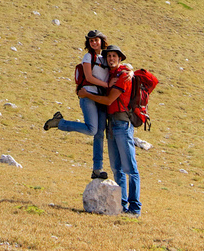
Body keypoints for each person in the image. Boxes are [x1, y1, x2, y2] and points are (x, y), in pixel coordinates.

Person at [79, 43, 141, 216]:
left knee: (130, 169)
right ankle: (122, 205)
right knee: (116, 168)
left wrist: (87, 95)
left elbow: (108, 101)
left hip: (122, 124)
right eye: (109, 56)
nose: (111, 59)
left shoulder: (123, 76)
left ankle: (135, 208)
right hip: (111, 125)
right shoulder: (113, 74)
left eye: (114, 56)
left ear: (120, 58)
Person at [43, 30, 109, 179]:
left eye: (96, 40)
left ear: (101, 41)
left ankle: (97, 169)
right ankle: (60, 123)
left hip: (101, 98)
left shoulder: (105, 57)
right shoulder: (88, 56)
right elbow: (89, 77)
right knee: (92, 130)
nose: (93, 43)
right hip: (88, 96)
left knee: (99, 134)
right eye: (91, 41)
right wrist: (106, 85)